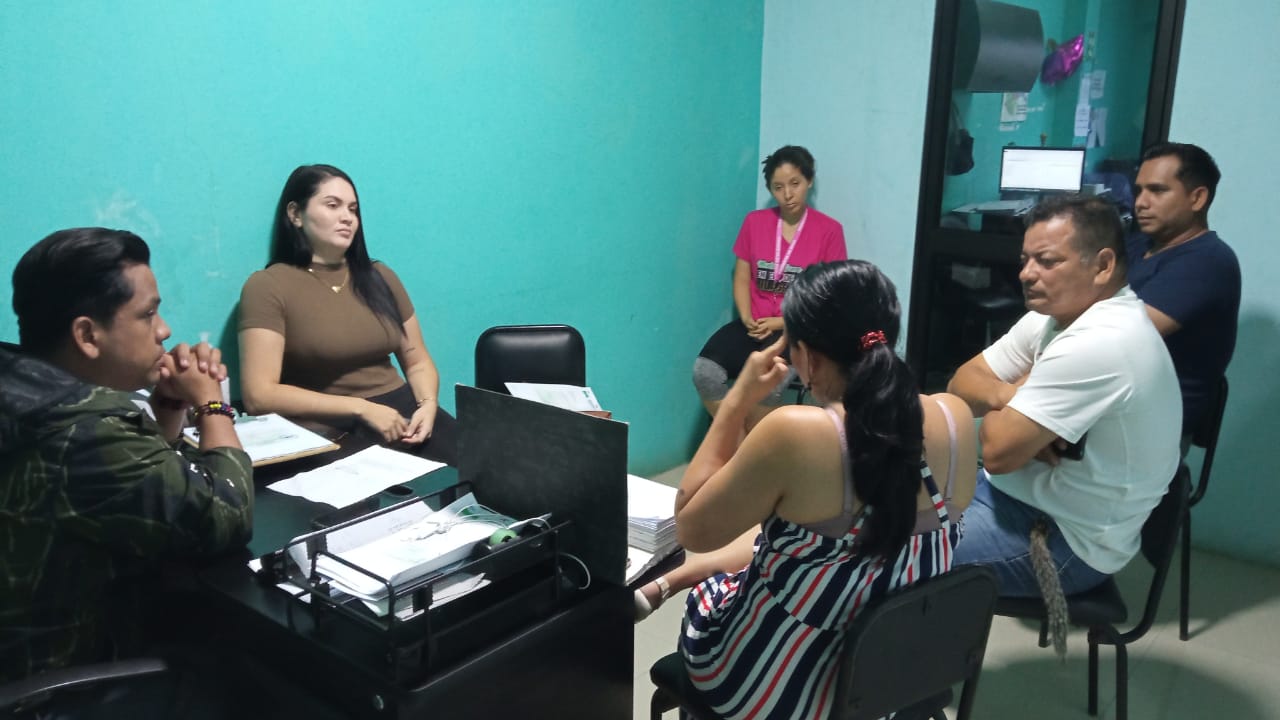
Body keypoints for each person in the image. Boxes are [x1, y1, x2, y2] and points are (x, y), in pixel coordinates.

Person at [653, 260, 975, 719]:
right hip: (887, 683)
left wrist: (738, 398)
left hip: (775, 690)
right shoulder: (954, 417)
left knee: (713, 597)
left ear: (806, 356)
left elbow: (691, 528)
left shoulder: (794, 432)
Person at [1, 228, 253, 711]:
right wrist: (212, 406)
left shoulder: (23, 388)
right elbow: (226, 513)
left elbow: (127, 488)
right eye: (147, 314)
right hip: (57, 686)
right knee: (258, 669)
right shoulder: (83, 433)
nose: (163, 331)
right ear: (87, 335)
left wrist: (169, 408)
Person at [948, 196, 1181, 627]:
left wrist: (1016, 412)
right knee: (877, 513)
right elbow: (961, 384)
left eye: (1047, 260)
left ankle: (901, 666)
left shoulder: (1104, 340)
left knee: (886, 555)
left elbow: (997, 450)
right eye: (1025, 259)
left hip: (1062, 538)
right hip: (1009, 493)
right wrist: (1014, 395)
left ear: (1103, 265)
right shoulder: (1053, 316)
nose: (1026, 273)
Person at [239, 164, 456, 465]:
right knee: (402, 493)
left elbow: (417, 360)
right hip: (330, 422)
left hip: (403, 411)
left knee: (490, 471)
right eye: (333, 205)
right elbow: (259, 395)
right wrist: (360, 408)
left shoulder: (380, 276)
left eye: (353, 209)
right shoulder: (267, 286)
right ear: (295, 214)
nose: (347, 217)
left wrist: (428, 404)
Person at [692, 145, 847, 430]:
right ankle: (737, 438)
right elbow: (742, 276)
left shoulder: (829, 231)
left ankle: (754, 445)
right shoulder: (755, 222)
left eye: (795, 183)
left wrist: (780, 322)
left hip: (796, 331)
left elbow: (829, 296)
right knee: (705, 372)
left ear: (809, 181)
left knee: (770, 384)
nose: (787, 194)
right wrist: (747, 316)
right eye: (778, 187)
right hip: (753, 326)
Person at [1129, 142, 1240, 443]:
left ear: (1197, 198)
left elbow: (1123, 336)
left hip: (1150, 426)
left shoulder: (1207, 261)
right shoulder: (1139, 245)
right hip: (1112, 403)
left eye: (1157, 190)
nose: (1141, 202)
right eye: (1139, 190)